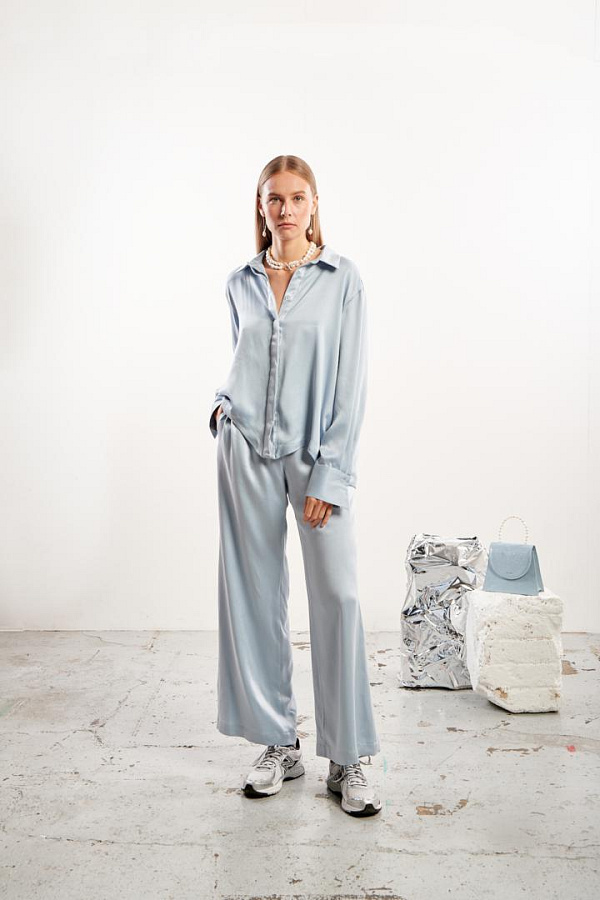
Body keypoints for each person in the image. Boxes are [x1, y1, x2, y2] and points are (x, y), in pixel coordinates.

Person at [210, 155, 381, 817]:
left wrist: (331, 473)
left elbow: (350, 384)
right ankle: (277, 742)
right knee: (255, 596)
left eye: (297, 197)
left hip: (314, 454)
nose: (285, 209)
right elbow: (243, 358)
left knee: (336, 594)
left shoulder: (343, 279)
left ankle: (348, 755)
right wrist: (222, 413)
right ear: (260, 206)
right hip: (246, 448)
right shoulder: (240, 282)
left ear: (314, 204)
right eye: (274, 198)